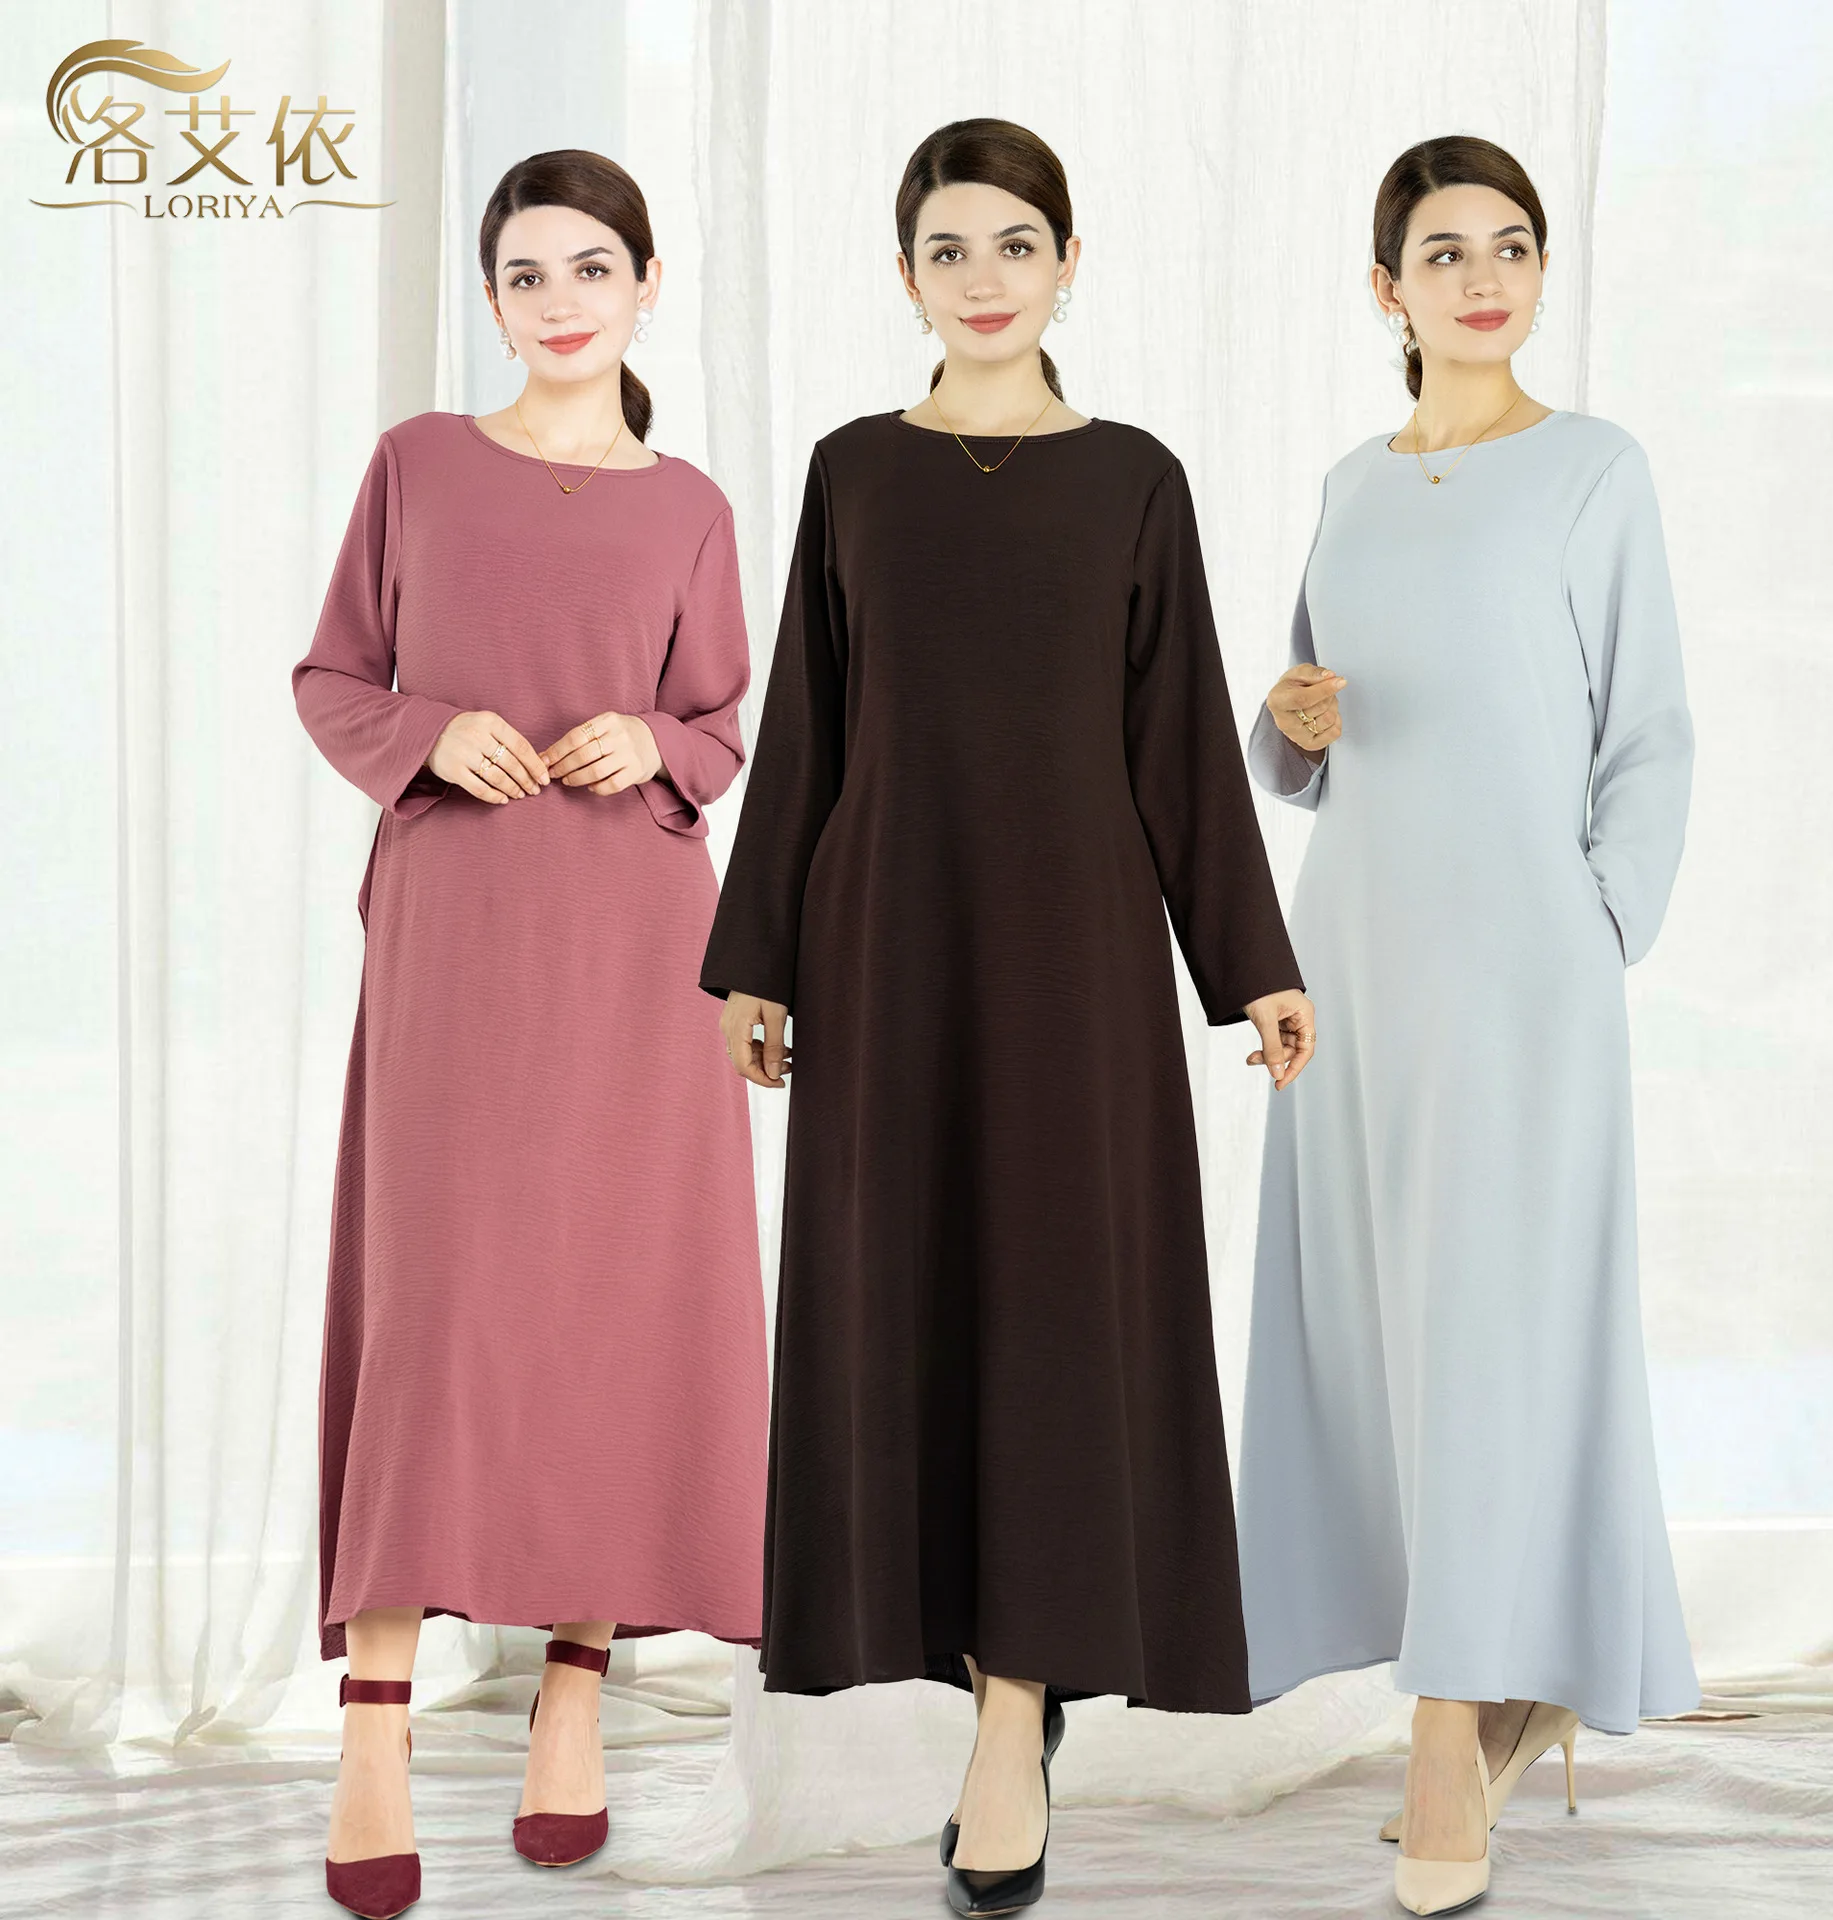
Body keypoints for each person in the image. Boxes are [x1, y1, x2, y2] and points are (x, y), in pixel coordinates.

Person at [698, 117, 1315, 1918]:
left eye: (1014, 245)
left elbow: (1179, 739)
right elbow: (810, 725)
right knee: (915, 1309)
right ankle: (985, 1682)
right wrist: (760, 955)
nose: (983, 280)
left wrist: (1253, 962)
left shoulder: (1133, 478)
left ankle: (1016, 1712)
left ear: (1068, 264)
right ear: (905, 278)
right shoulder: (853, 474)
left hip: (1076, 967)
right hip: (886, 946)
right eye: (948, 250)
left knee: (1054, 1318)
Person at [291, 150, 767, 1919]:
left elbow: (722, 724)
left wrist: (656, 742)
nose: (559, 302)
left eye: (589, 270)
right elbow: (330, 677)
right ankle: (375, 1727)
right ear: (493, 299)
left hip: (640, 951)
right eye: (524, 275)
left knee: (611, 1309)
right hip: (458, 939)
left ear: (644, 286)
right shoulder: (417, 465)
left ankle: (577, 1695)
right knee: (440, 1310)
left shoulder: (691, 508)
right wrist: (427, 731)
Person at [1233, 134, 1700, 1916]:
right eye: (1444, 252)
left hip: (1526, 965)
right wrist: (1282, 721)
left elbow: (1648, 726)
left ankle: (1452, 1726)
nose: (1484, 276)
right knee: (1379, 1335)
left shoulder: (1594, 470)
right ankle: (1489, 1679)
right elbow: (1309, 737)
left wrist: (1602, 920)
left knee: (1496, 1327)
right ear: (1388, 288)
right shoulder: (1350, 485)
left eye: (1511, 245)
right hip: (1357, 960)